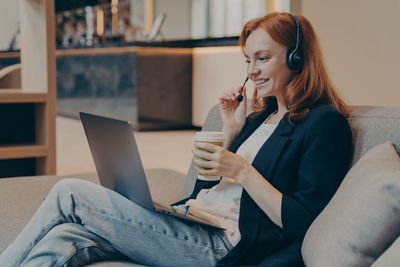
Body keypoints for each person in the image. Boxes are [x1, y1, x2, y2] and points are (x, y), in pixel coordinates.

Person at [0, 12, 352, 267]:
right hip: (191, 219)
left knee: (69, 193)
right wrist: (230, 131)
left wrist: (244, 171)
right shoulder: (261, 115)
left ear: (296, 58)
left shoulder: (324, 123)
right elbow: (206, 189)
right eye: (248, 60)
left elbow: (306, 221)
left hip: (219, 246)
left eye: (263, 58)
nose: (251, 71)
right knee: (65, 239)